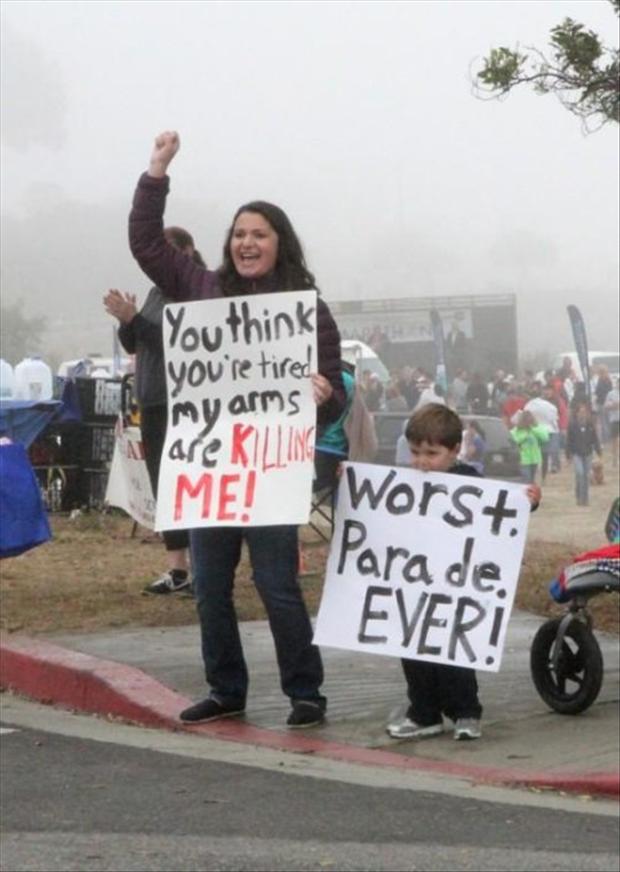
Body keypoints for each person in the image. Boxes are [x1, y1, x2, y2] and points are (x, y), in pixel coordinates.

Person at [128, 130, 345, 729]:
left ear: (280, 244)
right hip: (210, 467)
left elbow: (335, 389)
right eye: (239, 234)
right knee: (210, 588)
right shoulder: (201, 287)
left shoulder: (306, 305)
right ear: (228, 244)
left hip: (270, 473)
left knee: (278, 587)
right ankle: (226, 690)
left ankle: (306, 693)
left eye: (260, 234)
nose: (247, 242)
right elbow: (146, 243)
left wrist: (326, 394)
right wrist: (156, 172)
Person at [386, 404, 540, 741]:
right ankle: (423, 712)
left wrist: (528, 501)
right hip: (415, 582)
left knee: (454, 650)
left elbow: (497, 508)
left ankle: (466, 712)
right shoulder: (405, 481)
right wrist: (347, 482)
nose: (422, 461)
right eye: (415, 452)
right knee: (414, 651)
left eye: (432, 453)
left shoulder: (469, 480)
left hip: (456, 584)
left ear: (455, 450)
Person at [104, 227, 204, 595]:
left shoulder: (194, 291)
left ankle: (200, 567)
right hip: (151, 402)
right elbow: (137, 342)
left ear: (188, 252)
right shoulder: (156, 292)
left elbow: (175, 343)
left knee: (187, 483)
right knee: (164, 485)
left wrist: (137, 319)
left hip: (181, 403)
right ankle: (178, 569)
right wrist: (126, 320)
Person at [565, 402, 602, 507]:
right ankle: (579, 496)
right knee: (580, 474)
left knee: (586, 476)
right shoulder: (572, 425)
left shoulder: (590, 424)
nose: (582, 414)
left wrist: (598, 451)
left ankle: (584, 499)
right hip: (577, 453)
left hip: (588, 453)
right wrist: (568, 455)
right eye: (580, 412)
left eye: (584, 412)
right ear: (576, 413)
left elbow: (595, 438)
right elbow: (569, 440)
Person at [510, 410, 549, 484]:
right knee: (526, 478)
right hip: (523, 459)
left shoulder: (536, 429)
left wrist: (533, 429)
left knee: (531, 479)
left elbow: (545, 438)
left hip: (534, 459)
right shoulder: (516, 431)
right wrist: (524, 436)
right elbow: (514, 440)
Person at [604, 377, 620, 468]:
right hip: (614, 419)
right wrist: (613, 405)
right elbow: (606, 405)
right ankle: (615, 459)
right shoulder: (611, 393)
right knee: (614, 440)